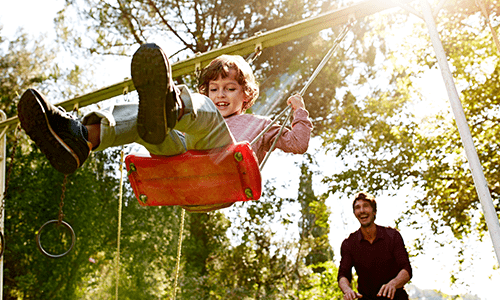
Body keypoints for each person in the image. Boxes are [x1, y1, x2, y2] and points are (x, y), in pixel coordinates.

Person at [17, 43, 313, 211]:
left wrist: (299, 112)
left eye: (230, 88)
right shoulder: (203, 111)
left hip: (223, 175)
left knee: (201, 114)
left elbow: (297, 143)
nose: (220, 95)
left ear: (246, 95)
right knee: (143, 120)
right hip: (184, 173)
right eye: (214, 88)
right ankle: (83, 139)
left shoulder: (260, 124)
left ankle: (171, 107)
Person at [337, 192, 412, 300]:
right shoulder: (349, 243)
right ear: (355, 213)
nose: (362, 210)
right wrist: (347, 290)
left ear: (374, 211)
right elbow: (343, 274)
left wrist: (393, 284)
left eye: (366, 206)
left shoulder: (392, 236)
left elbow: (406, 269)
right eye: (358, 207)